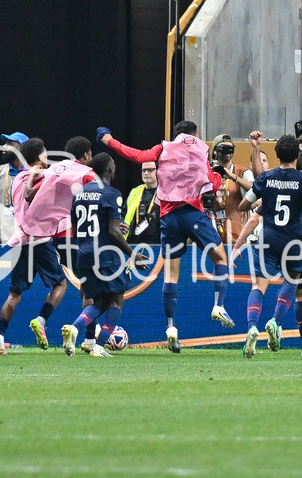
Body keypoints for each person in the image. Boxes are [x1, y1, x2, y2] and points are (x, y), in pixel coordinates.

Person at [99, 121, 234, 353]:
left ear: (175, 135)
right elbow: (211, 184)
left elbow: (137, 155)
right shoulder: (201, 149)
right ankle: (218, 305)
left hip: (169, 218)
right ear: (196, 134)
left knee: (171, 276)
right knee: (221, 259)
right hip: (193, 214)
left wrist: (108, 140)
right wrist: (219, 178)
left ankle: (171, 328)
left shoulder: (163, 148)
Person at [237, 133, 302, 358]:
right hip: (293, 242)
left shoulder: (267, 178)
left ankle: (251, 328)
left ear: (276, 155)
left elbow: (243, 205)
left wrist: (256, 149)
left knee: (258, 287)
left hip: (268, 240)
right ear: (297, 157)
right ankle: (276, 321)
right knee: (291, 281)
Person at [15, 136, 98, 352]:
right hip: (77, 235)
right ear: (87, 155)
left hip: (58, 238)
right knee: (91, 286)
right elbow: (98, 202)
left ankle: (82, 336)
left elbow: (29, 195)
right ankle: (89, 340)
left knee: (85, 285)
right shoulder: (86, 174)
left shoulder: (55, 170)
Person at [62, 153, 147, 358]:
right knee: (117, 300)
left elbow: (75, 227)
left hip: (83, 255)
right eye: (114, 165)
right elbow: (113, 232)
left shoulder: (79, 193)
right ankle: (99, 346)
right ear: (110, 169)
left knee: (100, 301)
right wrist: (132, 254)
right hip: (105, 255)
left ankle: (74, 329)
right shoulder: (112, 194)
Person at [0, 138, 68, 355]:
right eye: (45, 153)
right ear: (39, 157)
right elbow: (32, 195)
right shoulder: (42, 176)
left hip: (19, 239)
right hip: (39, 239)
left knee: (14, 293)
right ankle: (41, 321)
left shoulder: (16, 178)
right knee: (60, 284)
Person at [207, 133, 255, 246]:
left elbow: (254, 191)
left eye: (230, 148)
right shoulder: (208, 172)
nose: (227, 152)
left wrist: (234, 177)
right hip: (213, 232)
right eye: (223, 148)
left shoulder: (243, 172)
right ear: (215, 151)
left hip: (237, 235)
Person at [0, 131, 28, 244]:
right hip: (5, 234)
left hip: (28, 234)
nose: (4, 146)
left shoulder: (34, 172)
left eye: (10, 144)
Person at [123, 161, 160, 246]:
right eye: (144, 170)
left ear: (158, 171)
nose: (146, 173)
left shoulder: (164, 193)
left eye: (150, 170)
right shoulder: (135, 192)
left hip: (156, 243)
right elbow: (123, 214)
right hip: (133, 243)